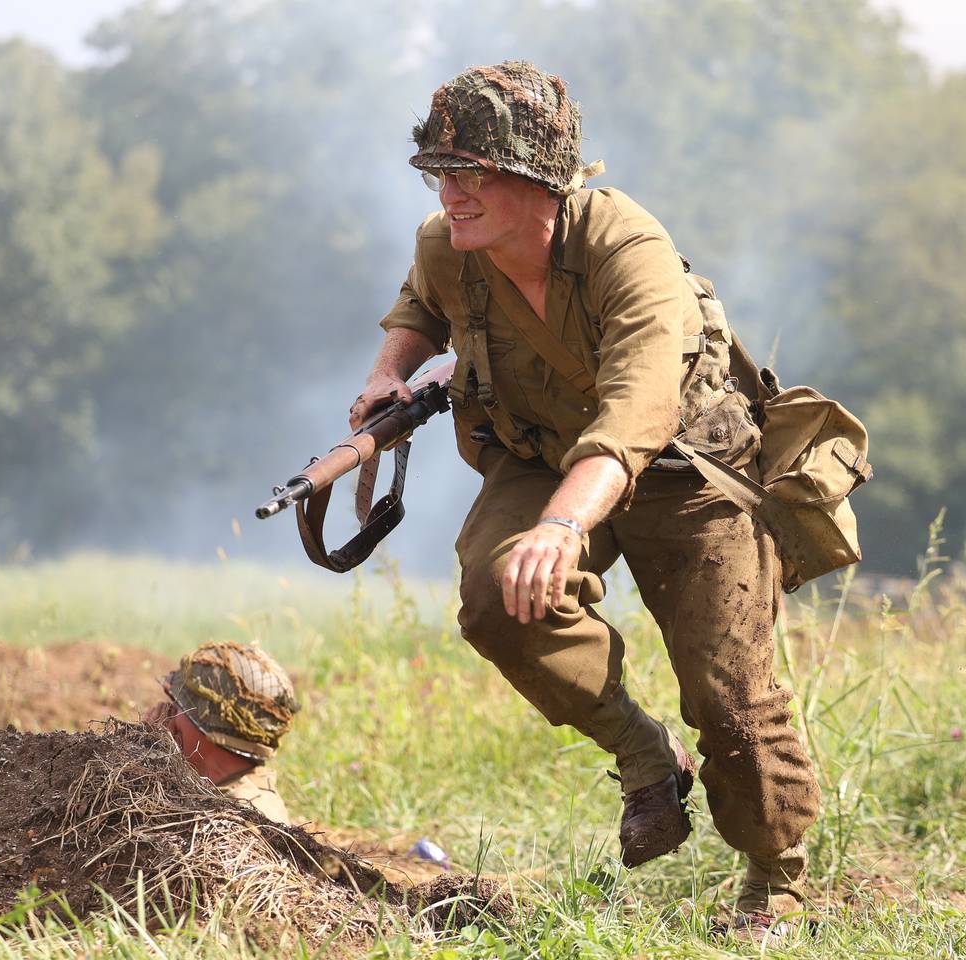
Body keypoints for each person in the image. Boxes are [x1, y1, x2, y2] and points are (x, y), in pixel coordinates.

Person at [350, 61, 821, 931]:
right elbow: (420, 306)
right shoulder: (447, 247)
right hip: (539, 453)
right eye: (439, 174)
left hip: (685, 472)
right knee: (498, 598)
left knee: (729, 696)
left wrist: (563, 525)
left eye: (472, 173)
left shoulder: (626, 249)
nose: (451, 194)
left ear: (536, 176)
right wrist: (388, 377)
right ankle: (648, 762)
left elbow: (639, 406)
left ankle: (774, 878)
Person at [145, 641, 299, 824]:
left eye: (179, 704)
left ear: (209, 730)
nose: (167, 711)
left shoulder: (243, 816)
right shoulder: (218, 794)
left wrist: (149, 754)